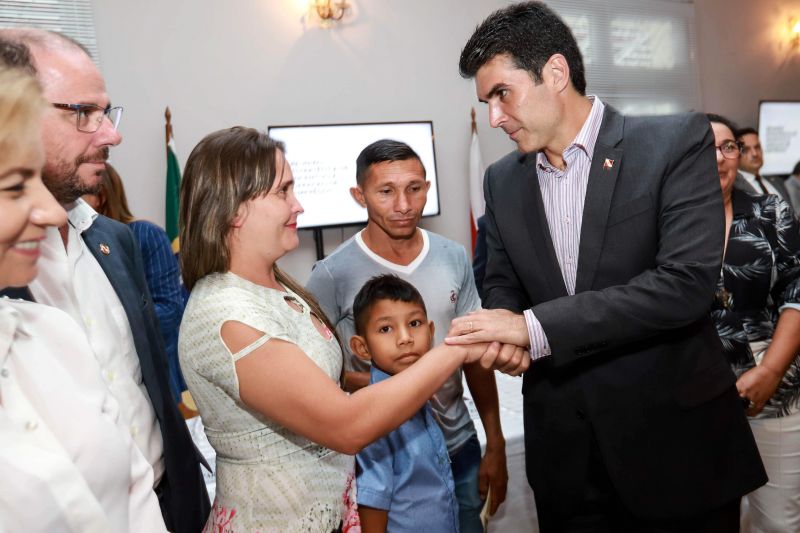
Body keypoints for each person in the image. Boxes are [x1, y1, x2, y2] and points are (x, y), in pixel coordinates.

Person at [448, 2, 767, 530]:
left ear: (555, 73)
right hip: (566, 460)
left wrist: (531, 328)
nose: (495, 118)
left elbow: (683, 285)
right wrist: (505, 332)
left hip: (674, 448)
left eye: (502, 94)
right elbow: (501, 281)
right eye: (486, 102)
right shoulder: (502, 180)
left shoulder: (672, 143)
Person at [177, 126, 511, 532]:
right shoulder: (229, 314)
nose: (298, 205)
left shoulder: (279, 286)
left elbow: (327, 383)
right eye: (283, 192)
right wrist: (457, 347)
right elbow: (348, 426)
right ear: (235, 208)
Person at [0, 28, 210, 532]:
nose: (111, 134)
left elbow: (150, 389)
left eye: (106, 112)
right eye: (83, 113)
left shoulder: (117, 240)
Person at [306, 139, 507, 531]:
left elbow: (472, 357)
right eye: (386, 191)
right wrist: (386, 384)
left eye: (414, 189)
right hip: (384, 454)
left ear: (427, 189)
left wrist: (494, 440)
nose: (403, 204)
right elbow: (314, 374)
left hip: (458, 443)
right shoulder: (331, 275)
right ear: (359, 195)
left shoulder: (452, 256)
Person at [708, 114, 800, 532]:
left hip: (775, 393)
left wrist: (770, 371)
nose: (720, 157)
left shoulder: (769, 210)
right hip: (698, 399)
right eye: (705, 147)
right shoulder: (666, 224)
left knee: (777, 521)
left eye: (729, 147)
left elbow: (798, 289)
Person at [349, 275, 459, 533]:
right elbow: (373, 505)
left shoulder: (420, 394)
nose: (405, 338)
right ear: (362, 348)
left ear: (431, 333)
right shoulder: (375, 418)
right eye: (386, 329)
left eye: (414, 323)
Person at [83, 163, 188, 404]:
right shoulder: (73, 243)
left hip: (152, 379)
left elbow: (170, 310)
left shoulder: (144, 235)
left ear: (101, 196)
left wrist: (108, 324)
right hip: (103, 383)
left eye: (78, 197)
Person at [734, 127, 793, 206]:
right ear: (736, 154)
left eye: (757, 147)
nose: (754, 154)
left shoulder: (777, 181)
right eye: (746, 150)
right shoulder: (733, 186)